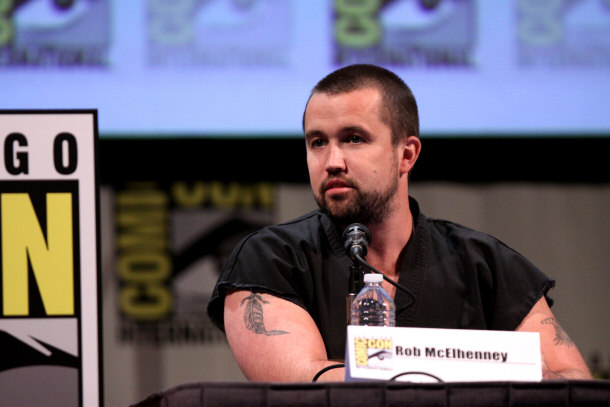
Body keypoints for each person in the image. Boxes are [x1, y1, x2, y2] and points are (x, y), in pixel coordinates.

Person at [207, 64, 591, 382]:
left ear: (406, 154)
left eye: (354, 138)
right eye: (317, 142)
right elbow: (306, 386)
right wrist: (486, 372)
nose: (332, 161)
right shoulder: (271, 259)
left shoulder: (486, 264)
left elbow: (574, 385)